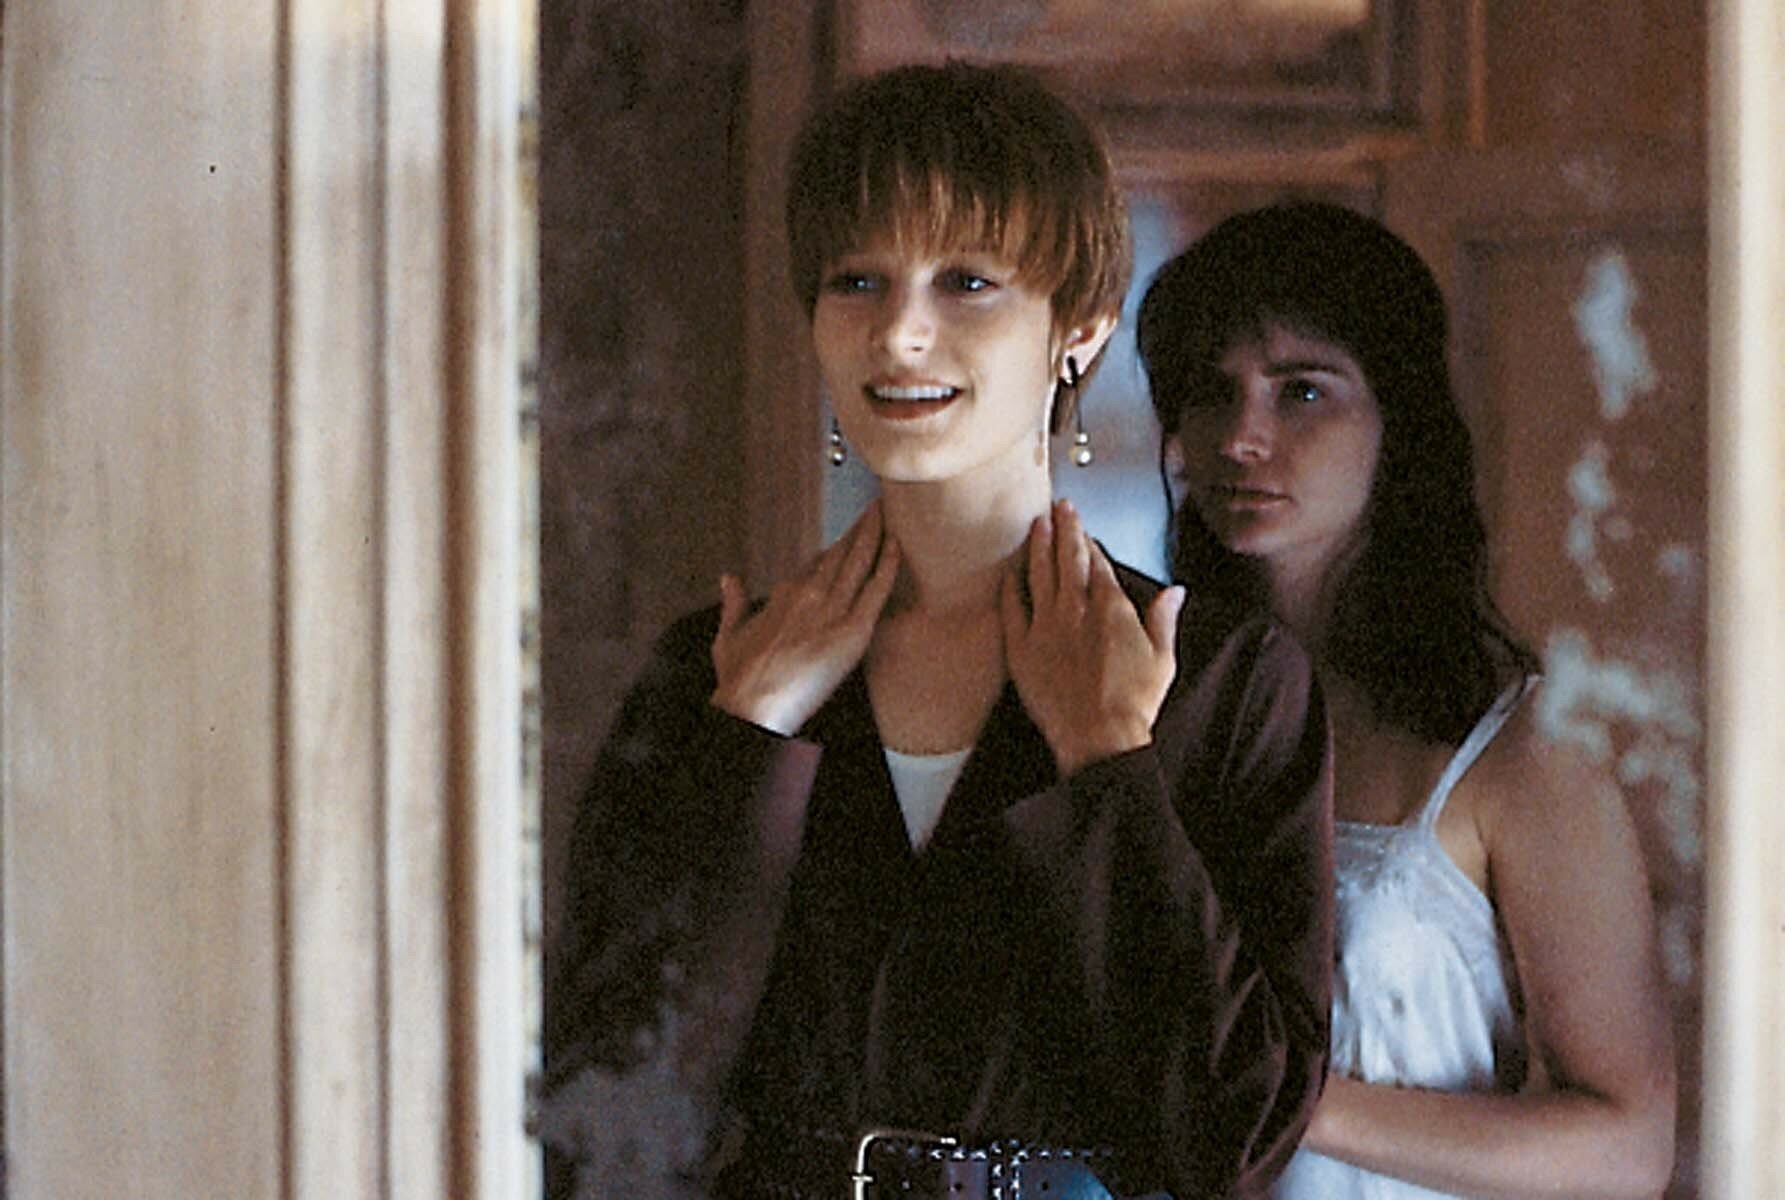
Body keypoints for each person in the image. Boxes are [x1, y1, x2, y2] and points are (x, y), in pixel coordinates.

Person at [541, 64, 1334, 1200]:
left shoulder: (1226, 682)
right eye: (857, 281)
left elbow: (1237, 1137)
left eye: (966, 282)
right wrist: (749, 740)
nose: (901, 333)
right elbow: (604, 1132)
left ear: (1078, 329)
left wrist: (1107, 764)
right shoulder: (711, 674)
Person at [1137, 201, 1678, 1199]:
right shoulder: (1142, 701)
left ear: (1397, 419)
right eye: (1211, 393)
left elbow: (1624, 1149)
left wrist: (1283, 1097)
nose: (1243, 437)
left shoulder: (1516, 753)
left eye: (1301, 391)